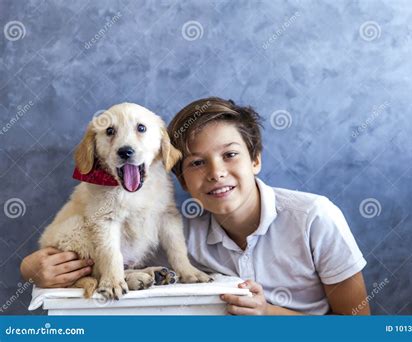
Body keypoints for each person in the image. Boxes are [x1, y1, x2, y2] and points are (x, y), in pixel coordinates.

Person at [21, 97, 370, 315]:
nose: (217, 173)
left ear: (256, 160)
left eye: (231, 155)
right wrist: (31, 268)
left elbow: (357, 328)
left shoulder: (315, 218)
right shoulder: (181, 234)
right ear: (179, 176)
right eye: (197, 163)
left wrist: (268, 314)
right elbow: (110, 251)